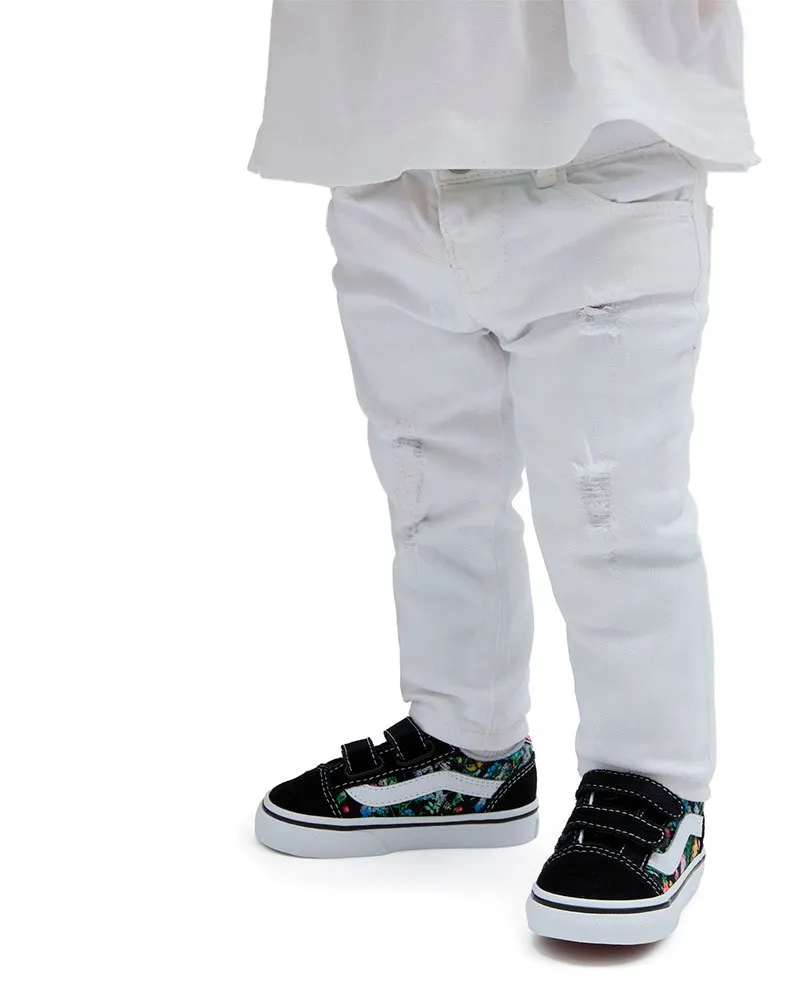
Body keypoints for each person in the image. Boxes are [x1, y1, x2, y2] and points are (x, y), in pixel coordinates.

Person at [248, 0, 757, 946]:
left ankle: (652, 778)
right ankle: (466, 745)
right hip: (386, 145)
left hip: (600, 145)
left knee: (613, 513)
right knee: (428, 492)